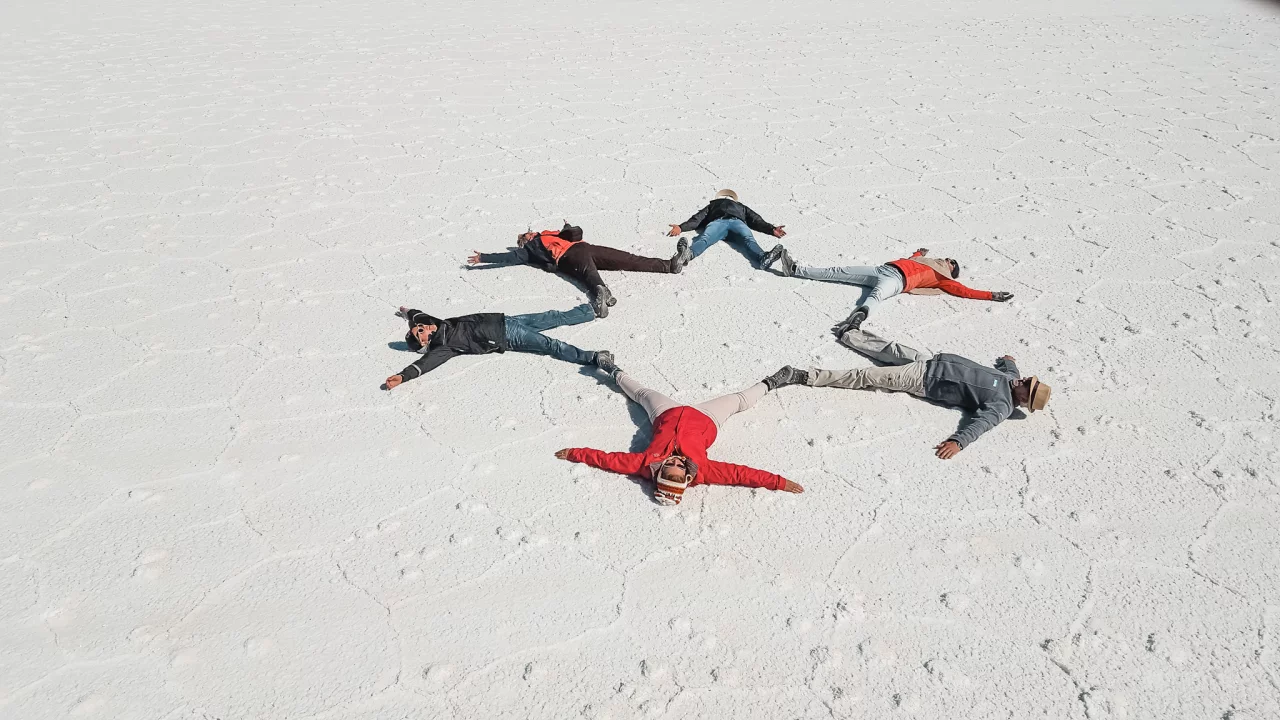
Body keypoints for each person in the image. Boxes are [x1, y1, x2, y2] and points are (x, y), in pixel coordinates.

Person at [764, 328, 1051, 459]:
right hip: (931, 360)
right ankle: (849, 333)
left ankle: (806, 376)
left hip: (925, 380)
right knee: (889, 348)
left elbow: (979, 426)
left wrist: (958, 443)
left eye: (1030, 384)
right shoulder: (1012, 379)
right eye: (1029, 378)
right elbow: (1012, 367)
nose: (1025, 378)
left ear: (1025, 399)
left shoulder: (1000, 406)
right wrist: (1008, 360)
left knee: (867, 376)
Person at [554, 366, 806, 505]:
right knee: (739, 401)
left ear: (659, 472)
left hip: (666, 413)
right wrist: (779, 482)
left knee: (642, 394)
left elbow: (606, 459)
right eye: (678, 470)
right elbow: (742, 474)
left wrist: (575, 453)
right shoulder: (705, 470)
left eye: (668, 469)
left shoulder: (642, 464)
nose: (674, 462)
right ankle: (772, 382)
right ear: (686, 477)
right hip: (708, 418)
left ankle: (612, 369)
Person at [759, 246, 1014, 333]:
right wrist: (918, 253)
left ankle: (859, 316)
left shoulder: (944, 279)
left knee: (876, 296)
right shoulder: (924, 261)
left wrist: (992, 295)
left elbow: (965, 291)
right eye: (950, 259)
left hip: (898, 281)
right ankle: (795, 269)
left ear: (951, 270)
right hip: (884, 269)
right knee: (838, 272)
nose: (949, 261)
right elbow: (910, 258)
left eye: (952, 264)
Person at [468, 222, 693, 318]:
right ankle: (601, 293)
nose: (529, 234)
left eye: (527, 232)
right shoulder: (529, 250)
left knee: (627, 259)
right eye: (525, 235)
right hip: (568, 257)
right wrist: (484, 257)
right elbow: (509, 258)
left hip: (584, 248)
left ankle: (669, 265)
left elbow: (577, 235)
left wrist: (569, 228)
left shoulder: (550, 232)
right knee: (588, 274)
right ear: (524, 240)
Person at [384, 304, 615, 390]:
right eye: (420, 331)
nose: (423, 327)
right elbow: (425, 364)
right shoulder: (444, 346)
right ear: (424, 342)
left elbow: (419, 315)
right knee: (551, 345)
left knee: (552, 316)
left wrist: (407, 313)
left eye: (420, 327)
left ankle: (591, 310)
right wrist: (402, 377)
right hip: (506, 336)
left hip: (506, 319)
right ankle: (593, 357)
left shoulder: (438, 324)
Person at [666, 189, 787, 268]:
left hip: (732, 223)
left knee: (747, 239)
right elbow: (698, 219)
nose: (726, 198)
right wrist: (681, 227)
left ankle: (763, 258)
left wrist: (771, 229)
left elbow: (756, 220)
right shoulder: (713, 205)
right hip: (722, 222)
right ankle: (687, 254)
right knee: (707, 238)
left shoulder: (741, 207)